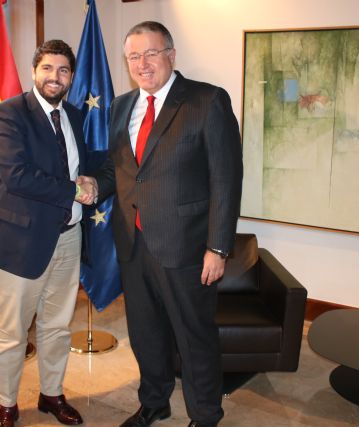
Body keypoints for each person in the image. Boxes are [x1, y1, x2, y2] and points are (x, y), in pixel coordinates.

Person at [81, 21, 243, 427]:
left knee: (194, 337)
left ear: (171, 54)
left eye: (151, 53)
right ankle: (154, 401)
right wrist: (91, 186)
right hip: (133, 247)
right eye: (134, 56)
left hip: (186, 249)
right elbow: (118, 171)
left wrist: (218, 247)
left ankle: (205, 415)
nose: (142, 63)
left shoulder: (207, 101)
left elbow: (226, 178)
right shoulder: (120, 106)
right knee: (146, 333)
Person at [0, 39, 96, 427]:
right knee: (13, 332)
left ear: (71, 77)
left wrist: (93, 182)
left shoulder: (76, 117)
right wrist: (73, 189)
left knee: (57, 326)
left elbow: (90, 164)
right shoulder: (9, 114)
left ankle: (51, 394)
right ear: (34, 71)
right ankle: (8, 404)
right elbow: (17, 175)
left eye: (63, 70)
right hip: (20, 243)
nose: (55, 77)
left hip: (68, 238)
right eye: (48, 68)